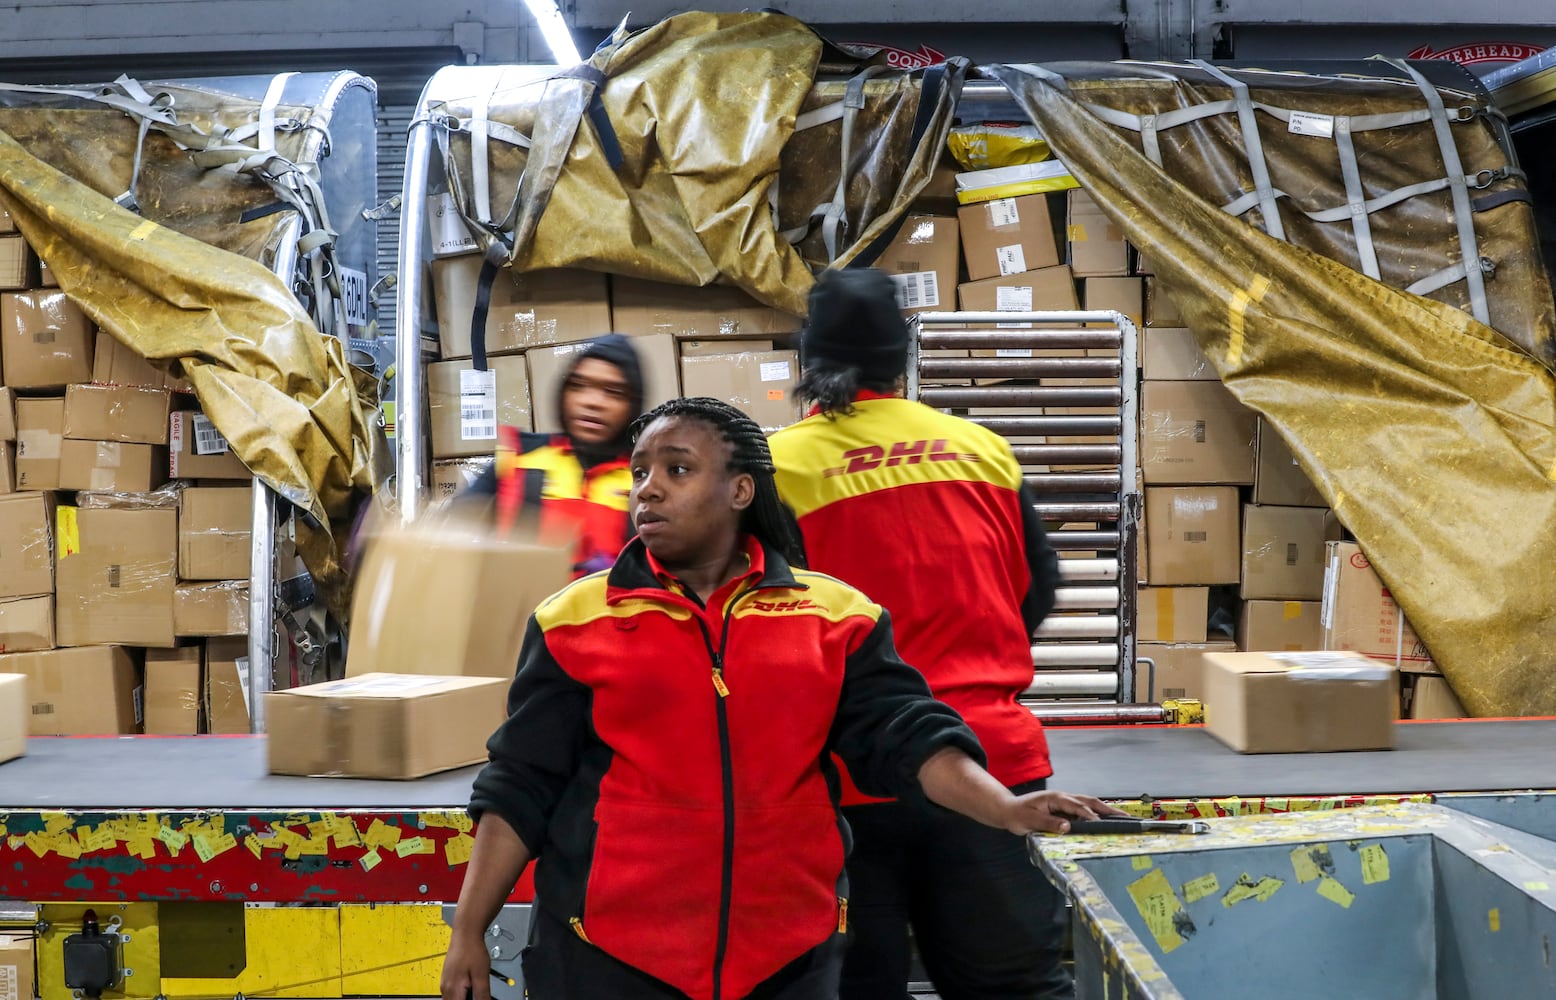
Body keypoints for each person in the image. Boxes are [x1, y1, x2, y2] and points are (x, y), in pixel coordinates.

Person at [440, 397, 1113, 1000]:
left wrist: (1004, 806)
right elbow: (521, 784)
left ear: (740, 490)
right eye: (640, 471)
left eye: (676, 470)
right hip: (610, 958)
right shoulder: (573, 621)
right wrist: (469, 930)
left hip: (789, 960)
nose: (647, 489)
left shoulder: (834, 616)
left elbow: (907, 737)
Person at [769, 268, 1073, 1000]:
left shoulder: (776, 467)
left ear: (808, 365)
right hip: (991, 766)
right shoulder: (982, 450)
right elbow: (1035, 592)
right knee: (1017, 989)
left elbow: (764, 633)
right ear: (902, 358)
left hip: (847, 782)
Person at [456, 332, 643, 577]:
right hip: (518, 611)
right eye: (579, 386)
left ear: (634, 404)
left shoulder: (645, 481)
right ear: (563, 393)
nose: (593, 402)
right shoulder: (518, 458)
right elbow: (451, 532)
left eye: (613, 391)